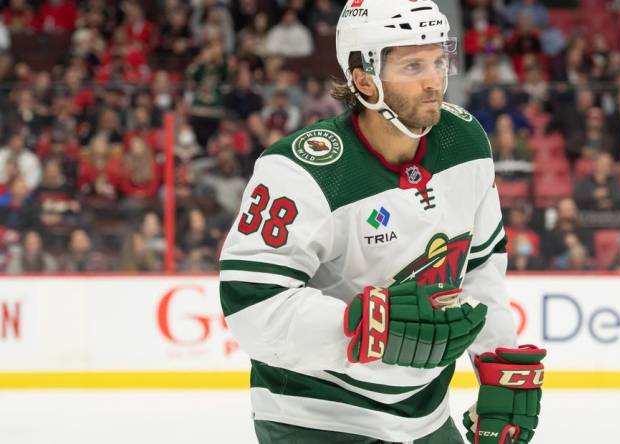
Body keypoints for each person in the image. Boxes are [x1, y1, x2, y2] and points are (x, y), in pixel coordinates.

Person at [219, 2, 545, 443]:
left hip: (426, 414)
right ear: (363, 79)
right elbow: (252, 306)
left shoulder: (465, 141)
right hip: (315, 418)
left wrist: (496, 365)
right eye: (412, 66)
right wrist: (366, 327)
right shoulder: (300, 170)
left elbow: (480, 265)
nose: (434, 81)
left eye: (438, 61)